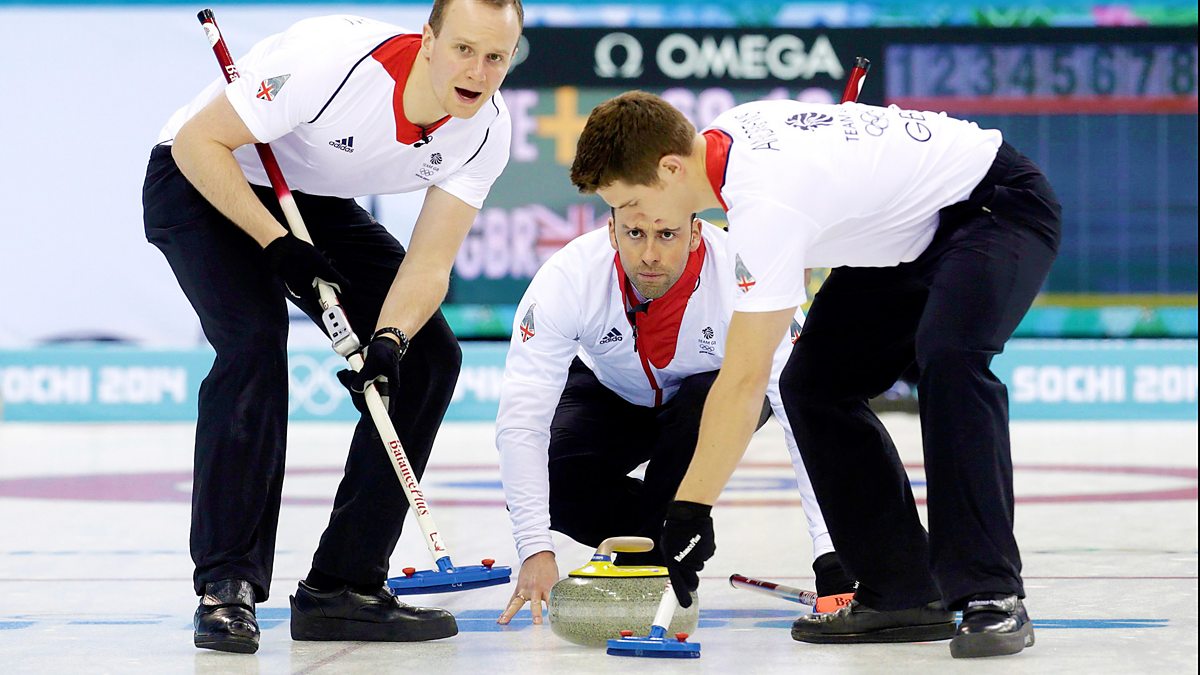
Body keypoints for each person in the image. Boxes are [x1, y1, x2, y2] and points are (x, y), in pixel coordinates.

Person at [569, 91, 1060, 659]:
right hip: (904, 235)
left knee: (951, 359)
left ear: (672, 168)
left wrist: (688, 512)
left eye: (632, 200)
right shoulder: (729, 145)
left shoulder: (764, 201)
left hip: (994, 205)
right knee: (813, 385)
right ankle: (901, 589)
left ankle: (992, 593)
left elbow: (744, 380)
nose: (634, 218)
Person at [142, 0, 523, 653]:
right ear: (428, 40)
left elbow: (429, 264)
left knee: (429, 356)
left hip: (307, 197)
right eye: (464, 49)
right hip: (204, 175)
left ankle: (343, 586)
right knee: (254, 341)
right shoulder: (333, 64)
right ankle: (226, 586)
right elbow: (196, 144)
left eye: (496, 57)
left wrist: (390, 340)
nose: (477, 72)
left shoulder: (487, 130)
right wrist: (275, 244)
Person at [493, 210, 855, 626]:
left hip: (715, 394)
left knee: (703, 407)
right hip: (611, 390)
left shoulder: (746, 275)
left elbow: (802, 418)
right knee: (553, 482)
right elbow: (522, 419)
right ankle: (659, 542)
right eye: (635, 233)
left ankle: (670, 530)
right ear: (611, 232)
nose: (650, 254)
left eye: (667, 235)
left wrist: (833, 555)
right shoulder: (569, 276)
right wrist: (535, 548)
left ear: (696, 233)